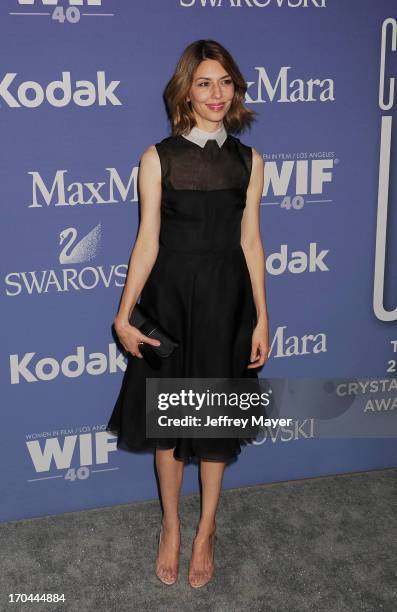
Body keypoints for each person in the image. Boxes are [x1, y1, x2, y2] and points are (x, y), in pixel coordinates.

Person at [106, 39, 270, 588]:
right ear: (185, 91)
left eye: (225, 82)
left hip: (227, 303)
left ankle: (207, 530)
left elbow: (251, 242)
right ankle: (172, 527)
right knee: (172, 426)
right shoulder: (157, 158)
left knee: (215, 422)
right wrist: (124, 314)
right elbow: (146, 241)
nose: (216, 93)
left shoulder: (251, 161)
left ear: (237, 89)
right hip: (171, 302)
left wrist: (262, 319)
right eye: (204, 82)